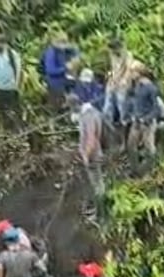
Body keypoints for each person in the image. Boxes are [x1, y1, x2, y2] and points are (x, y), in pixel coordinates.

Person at [70, 90, 106, 221]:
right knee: (97, 184)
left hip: (93, 155)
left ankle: (101, 214)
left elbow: (91, 138)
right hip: (95, 152)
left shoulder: (87, 117)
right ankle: (98, 211)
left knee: (97, 185)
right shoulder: (93, 112)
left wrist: (85, 155)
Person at [125, 67, 162, 168]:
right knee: (131, 145)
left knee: (148, 147)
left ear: (139, 73)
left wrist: (146, 119)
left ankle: (150, 169)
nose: (130, 74)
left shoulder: (151, 88)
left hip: (147, 123)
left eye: (133, 72)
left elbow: (157, 109)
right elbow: (132, 100)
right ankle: (135, 169)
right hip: (136, 121)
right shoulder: (137, 86)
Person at [0, 34, 24, 130]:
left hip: (11, 88)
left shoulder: (13, 54)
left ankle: (15, 130)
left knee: (13, 111)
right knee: (0, 112)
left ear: (5, 44)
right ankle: (2, 130)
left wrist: (16, 85)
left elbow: (19, 70)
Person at [103, 37, 137, 128]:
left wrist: (122, 80)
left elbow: (129, 69)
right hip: (115, 80)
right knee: (108, 95)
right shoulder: (112, 55)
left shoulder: (127, 55)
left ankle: (125, 120)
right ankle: (107, 120)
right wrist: (111, 79)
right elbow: (114, 69)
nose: (112, 52)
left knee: (121, 98)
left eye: (114, 49)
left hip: (125, 81)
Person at [39, 31, 79, 110]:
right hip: (54, 85)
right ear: (55, 42)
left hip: (65, 84)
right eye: (62, 41)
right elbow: (50, 70)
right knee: (57, 108)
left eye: (65, 41)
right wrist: (66, 68)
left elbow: (75, 51)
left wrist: (75, 58)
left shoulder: (63, 51)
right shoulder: (51, 52)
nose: (64, 44)